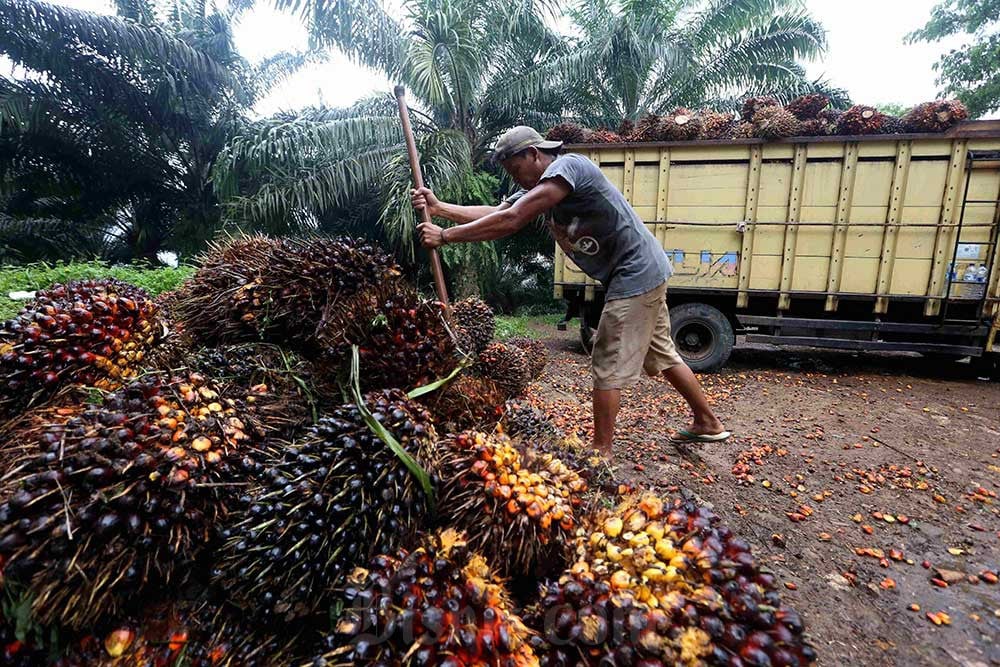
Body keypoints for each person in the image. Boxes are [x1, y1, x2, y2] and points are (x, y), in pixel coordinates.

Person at [414, 125, 729, 455]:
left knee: (607, 358)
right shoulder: (544, 186)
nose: (517, 179)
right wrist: (440, 208)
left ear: (534, 154)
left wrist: (446, 236)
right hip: (643, 271)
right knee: (662, 352)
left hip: (634, 273)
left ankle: (600, 452)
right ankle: (707, 422)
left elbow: (512, 220)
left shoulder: (569, 167)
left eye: (516, 170)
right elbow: (499, 212)